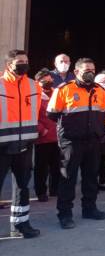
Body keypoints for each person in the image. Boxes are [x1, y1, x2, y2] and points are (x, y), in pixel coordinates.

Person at [48, 57, 105, 229]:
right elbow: (52, 114)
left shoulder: (100, 91)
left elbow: (103, 113)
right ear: (76, 72)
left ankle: (90, 209)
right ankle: (65, 214)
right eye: (86, 69)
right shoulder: (64, 89)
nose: (90, 72)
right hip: (71, 141)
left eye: (92, 69)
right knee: (68, 178)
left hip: (93, 141)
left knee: (91, 177)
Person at [0, 49, 42, 238]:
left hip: (25, 144)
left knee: (22, 186)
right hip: (1, 146)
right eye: (20, 61)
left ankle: (20, 224)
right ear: (9, 65)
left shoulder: (34, 86)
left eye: (26, 60)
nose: (24, 63)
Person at [34, 69, 61, 202]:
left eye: (50, 80)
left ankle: (54, 189)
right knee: (41, 167)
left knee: (56, 165)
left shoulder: (57, 93)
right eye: (45, 81)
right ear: (38, 82)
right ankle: (41, 192)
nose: (49, 82)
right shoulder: (35, 95)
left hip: (58, 137)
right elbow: (31, 115)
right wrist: (41, 129)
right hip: (43, 138)